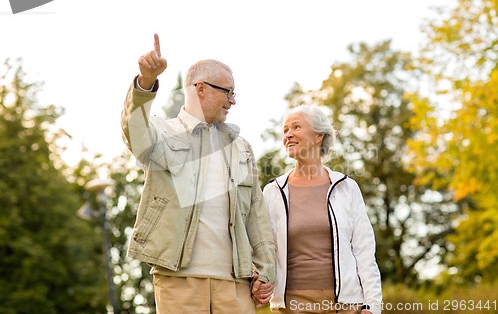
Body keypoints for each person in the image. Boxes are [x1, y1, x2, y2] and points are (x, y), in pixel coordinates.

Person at [121, 34, 275, 313]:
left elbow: (256, 213)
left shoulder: (241, 148)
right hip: (178, 279)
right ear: (201, 88)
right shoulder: (163, 133)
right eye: (228, 92)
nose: (233, 101)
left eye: (233, 93)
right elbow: (134, 130)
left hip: (235, 282)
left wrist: (266, 271)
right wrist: (145, 83)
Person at [262, 105, 382, 314]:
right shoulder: (273, 191)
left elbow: (364, 250)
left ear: (318, 136)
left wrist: (372, 305)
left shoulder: (346, 187)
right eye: (285, 130)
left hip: (346, 304)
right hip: (293, 304)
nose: (288, 134)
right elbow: (264, 249)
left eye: (296, 127)